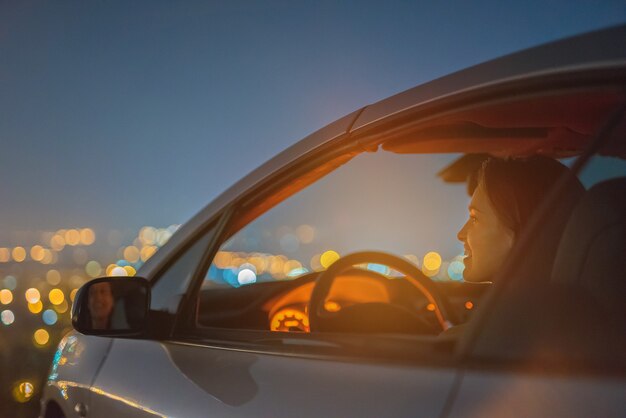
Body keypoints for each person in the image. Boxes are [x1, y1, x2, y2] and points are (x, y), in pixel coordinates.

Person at [457, 156, 585, 283]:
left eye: (475, 219)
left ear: (523, 231)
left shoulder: (521, 303)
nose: (460, 234)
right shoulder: (560, 300)